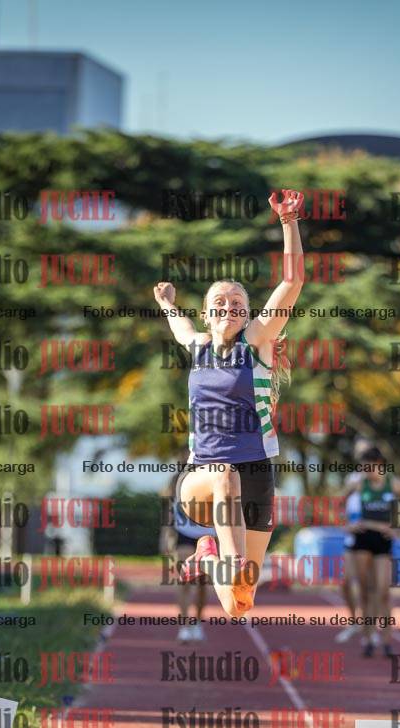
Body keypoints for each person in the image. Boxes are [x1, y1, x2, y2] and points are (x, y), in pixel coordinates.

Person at [154, 189, 305, 617]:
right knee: (224, 474)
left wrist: (289, 221)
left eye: (237, 302)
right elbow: (179, 326)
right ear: (207, 313)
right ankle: (230, 559)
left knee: (240, 603)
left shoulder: (256, 343)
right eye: (219, 302)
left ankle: (211, 557)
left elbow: (292, 283)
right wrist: (166, 304)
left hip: (256, 475)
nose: (228, 307)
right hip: (202, 479)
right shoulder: (198, 345)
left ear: (249, 314)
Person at [337, 446, 400, 657]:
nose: (365, 472)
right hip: (362, 539)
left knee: (383, 591)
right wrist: (346, 525)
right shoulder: (358, 483)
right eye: (363, 468)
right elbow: (337, 503)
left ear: (379, 465)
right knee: (365, 591)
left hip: (383, 540)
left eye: (369, 467)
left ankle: (387, 640)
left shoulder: (395, 483)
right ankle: (368, 637)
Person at [159, 470, 212, 643]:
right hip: (184, 536)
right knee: (185, 581)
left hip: (208, 535)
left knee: (203, 584)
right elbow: (169, 513)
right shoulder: (178, 481)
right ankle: (184, 626)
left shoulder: (212, 477)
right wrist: (165, 538)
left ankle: (197, 622)